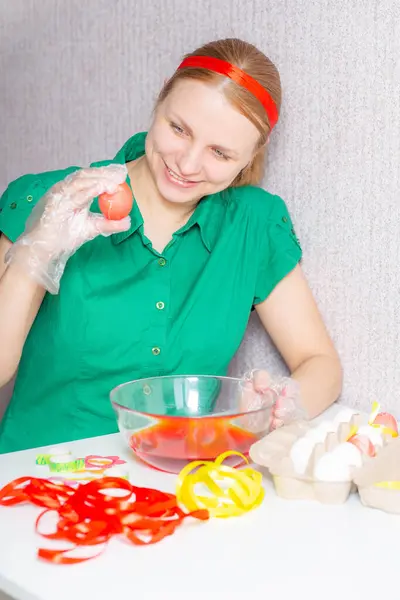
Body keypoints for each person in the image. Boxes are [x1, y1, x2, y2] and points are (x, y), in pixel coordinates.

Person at [0, 38, 342, 454]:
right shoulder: (49, 200)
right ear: (160, 97)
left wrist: (283, 404)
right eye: (179, 129)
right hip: (42, 483)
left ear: (253, 153)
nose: (188, 164)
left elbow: (319, 363)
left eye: (219, 152)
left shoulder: (254, 222)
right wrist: (35, 253)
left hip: (182, 487)